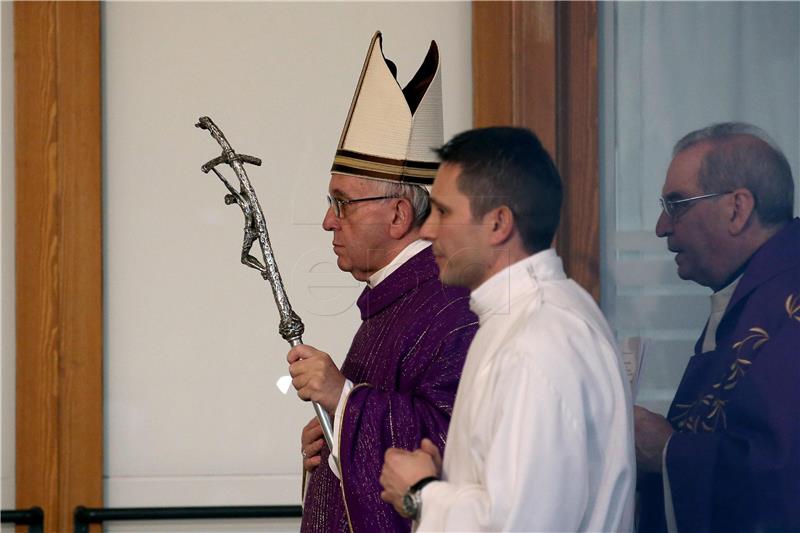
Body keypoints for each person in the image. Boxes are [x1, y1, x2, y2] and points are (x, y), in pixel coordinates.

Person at [379, 127, 636, 531]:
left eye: (444, 212)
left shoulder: (536, 342)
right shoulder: (532, 316)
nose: (427, 231)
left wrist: (421, 494)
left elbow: (525, 525)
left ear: (498, 223)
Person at [287, 31, 478, 532]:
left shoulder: (450, 306)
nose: (329, 222)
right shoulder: (391, 301)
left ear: (397, 215)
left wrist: (342, 398)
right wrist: (334, 440)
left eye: (342, 202)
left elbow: (452, 446)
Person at [635, 122, 800, 532]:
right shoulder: (757, 293)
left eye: (677, 204)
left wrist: (668, 451)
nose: (662, 226)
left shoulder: (788, 307)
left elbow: (785, 478)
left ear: (737, 208)